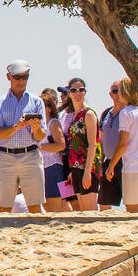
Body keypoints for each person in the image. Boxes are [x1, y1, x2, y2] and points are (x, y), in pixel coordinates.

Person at [0, 59, 47, 213]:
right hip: (5, 156)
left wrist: (35, 128)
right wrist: (18, 126)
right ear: (9, 77)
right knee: (3, 206)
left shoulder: (36, 101)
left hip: (31, 154)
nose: (22, 81)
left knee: (35, 206)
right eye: (18, 77)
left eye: (25, 77)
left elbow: (41, 136)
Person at [107, 78, 138, 213]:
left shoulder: (126, 112)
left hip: (133, 166)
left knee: (132, 209)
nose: (118, 95)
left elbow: (123, 143)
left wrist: (111, 166)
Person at [61, 78, 102, 211]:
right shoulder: (74, 115)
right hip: (76, 167)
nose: (77, 93)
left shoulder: (88, 114)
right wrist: (73, 171)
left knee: (90, 211)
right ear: (69, 93)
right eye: (73, 90)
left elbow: (92, 145)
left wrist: (88, 172)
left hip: (88, 167)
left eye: (81, 90)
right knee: (82, 210)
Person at [97, 80, 125, 210]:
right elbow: (101, 140)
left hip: (124, 161)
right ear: (110, 94)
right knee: (104, 202)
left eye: (120, 90)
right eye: (115, 91)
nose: (118, 94)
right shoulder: (106, 113)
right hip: (108, 162)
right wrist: (101, 163)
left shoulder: (129, 112)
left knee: (130, 200)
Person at [40, 89, 69, 212]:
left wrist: (40, 147)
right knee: (46, 204)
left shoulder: (53, 122)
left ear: (49, 108)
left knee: (56, 203)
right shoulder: (39, 124)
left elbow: (61, 145)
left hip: (53, 166)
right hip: (41, 167)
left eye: (43, 105)